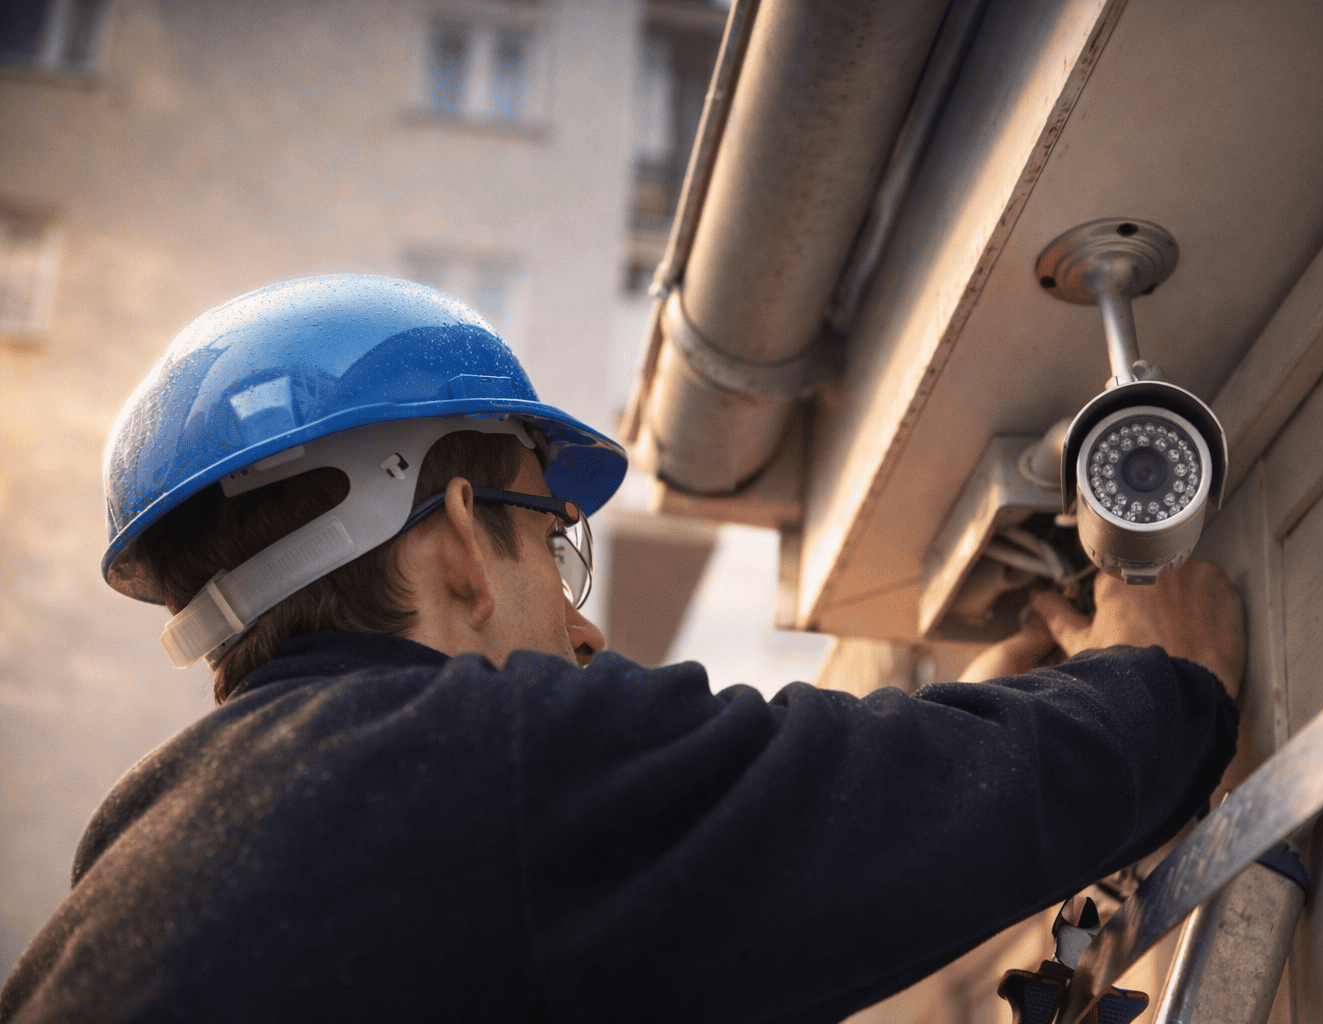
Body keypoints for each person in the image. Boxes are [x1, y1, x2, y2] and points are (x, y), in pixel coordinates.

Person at [0, 275, 1242, 1023]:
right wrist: (1161, 682)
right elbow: (854, 804)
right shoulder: (464, 765)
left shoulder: (122, 886)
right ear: (456, 545)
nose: (587, 629)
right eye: (559, 548)